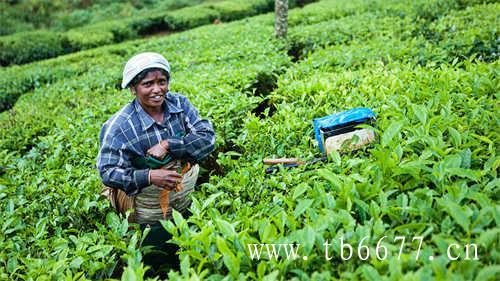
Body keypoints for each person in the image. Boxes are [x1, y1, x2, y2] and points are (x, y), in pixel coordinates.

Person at [96, 52, 215, 274]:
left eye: (162, 82)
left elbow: (207, 138)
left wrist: (170, 144)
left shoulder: (179, 104)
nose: (157, 89)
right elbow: (108, 172)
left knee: (192, 258)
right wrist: (150, 176)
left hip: (185, 201)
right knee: (157, 262)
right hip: (149, 215)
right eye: (147, 84)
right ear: (133, 88)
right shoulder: (120, 126)